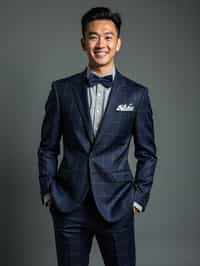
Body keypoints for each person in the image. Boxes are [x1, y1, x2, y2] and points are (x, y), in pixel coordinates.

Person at [37, 6, 157, 266]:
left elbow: (147, 153)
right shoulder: (61, 90)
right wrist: (48, 192)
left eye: (108, 36)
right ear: (83, 43)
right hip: (69, 204)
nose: (100, 43)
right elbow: (47, 147)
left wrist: (137, 199)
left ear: (118, 43)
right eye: (93, 36)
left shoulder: (137, 95)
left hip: (117, 205)